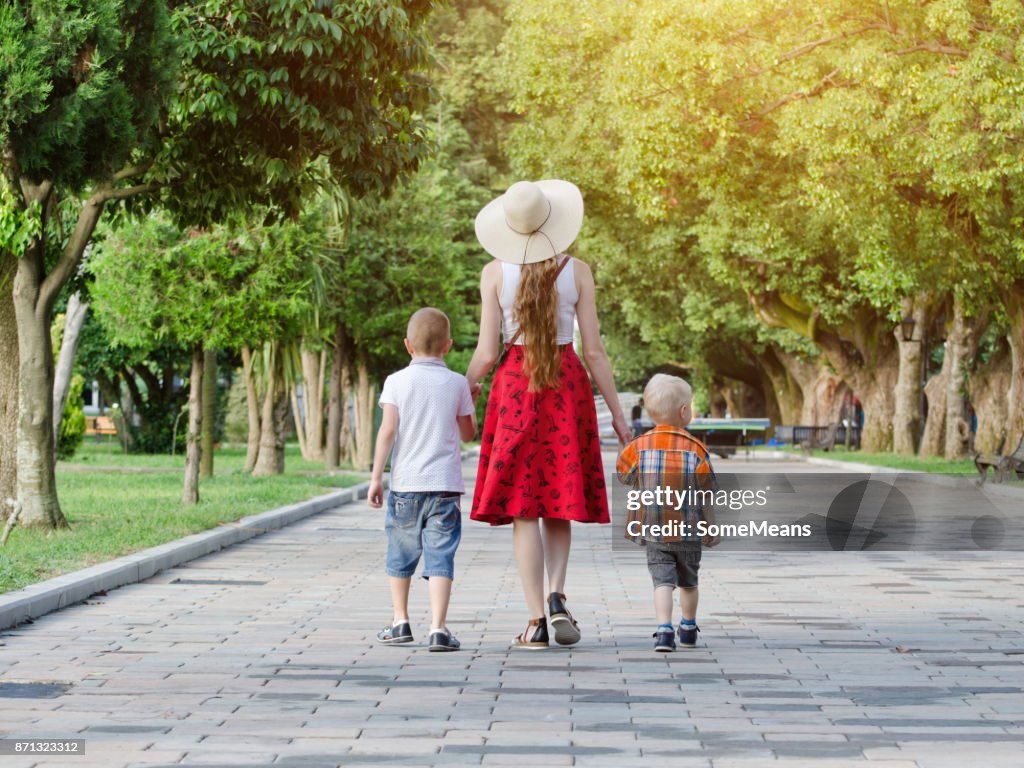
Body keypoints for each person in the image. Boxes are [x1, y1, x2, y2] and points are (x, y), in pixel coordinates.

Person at [465, 179, 631, 650]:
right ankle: (558, 595)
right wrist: (617, 413)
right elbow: (594, 351)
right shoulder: (577, 271)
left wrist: (465, 387)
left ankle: (536, 619)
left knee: (524, 510)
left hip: (516, 385)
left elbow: (486, 351)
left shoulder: (494, 273)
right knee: (558, 500)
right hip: (566, 387)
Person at [368, 308, 477, 652]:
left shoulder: (396, 381)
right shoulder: (458, 383)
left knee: (400, 553)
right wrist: (470, 399)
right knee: (440, 555)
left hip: (405, 486)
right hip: (445, 486)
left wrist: (376, 478)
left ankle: (400, 621)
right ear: (448, 346)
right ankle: (438, 628)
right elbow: (468, 434)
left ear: (407, 345)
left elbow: (387, 432)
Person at [616, 373, 719, 652]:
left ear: (649, 412)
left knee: (662, 581)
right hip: (688, 529)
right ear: (684, 412)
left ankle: (663, 631)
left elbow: (623, 477)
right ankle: (687, 626)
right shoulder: (697, 449)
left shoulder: (638, 447)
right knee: (688, 581)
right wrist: (710, 527)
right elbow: (707, 491)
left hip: (654, 528)